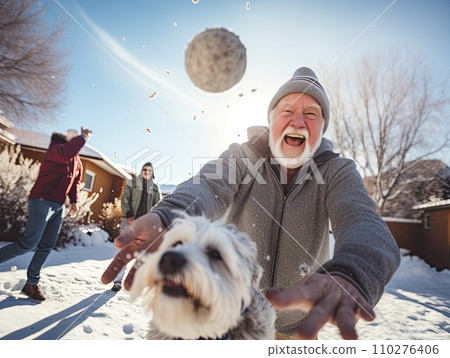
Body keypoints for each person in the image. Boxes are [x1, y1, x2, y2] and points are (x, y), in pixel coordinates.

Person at [101, 67, 400, 339]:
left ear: (322, 129)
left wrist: (353, 271)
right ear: (271, 120)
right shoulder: (242, 157)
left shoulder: (337, 171)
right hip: (229, 314)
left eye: (311, 114)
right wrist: (169, 216)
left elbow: (361, 219)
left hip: (297, 329)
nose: (298, 120)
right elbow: (207, 186)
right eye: (287, 110)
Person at [0, 127, 93, 303]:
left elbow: (75, 181)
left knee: (47, 246)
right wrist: (83, 137)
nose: (75, 138)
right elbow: (67, 153)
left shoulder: (76, 159)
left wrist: (74, 200)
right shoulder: (56, 148)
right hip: (42, 200)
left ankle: (31, 284)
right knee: (28, 244)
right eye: (73, 136)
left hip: (58, 205)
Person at [111, 162, 161, 292]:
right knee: (125, 251)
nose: (147, 172)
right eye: (145, 169)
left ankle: (136, 282)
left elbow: (158, 206)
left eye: (150, 170)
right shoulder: (132, 183)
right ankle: (117, 281)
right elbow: (125, 199)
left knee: (143, 254)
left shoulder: (155, 188)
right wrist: (129, 215)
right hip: (130, 223)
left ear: (152, 172)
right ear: (141, 170)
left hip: (146, 227)